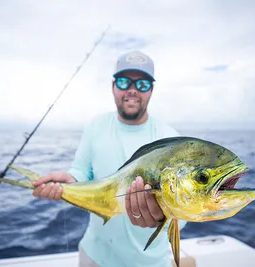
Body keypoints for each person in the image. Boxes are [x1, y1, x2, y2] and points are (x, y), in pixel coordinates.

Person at [32, 50, 187, 267]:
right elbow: (81, 171)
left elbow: (184, 213)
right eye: (124, 82)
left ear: (151, 90)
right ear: (113, 86)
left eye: (142, 84)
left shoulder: (170, 138)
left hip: (150, 262)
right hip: (95, 255)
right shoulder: (96, 126)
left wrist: (162, 218)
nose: (132, 90)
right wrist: (69, 183)